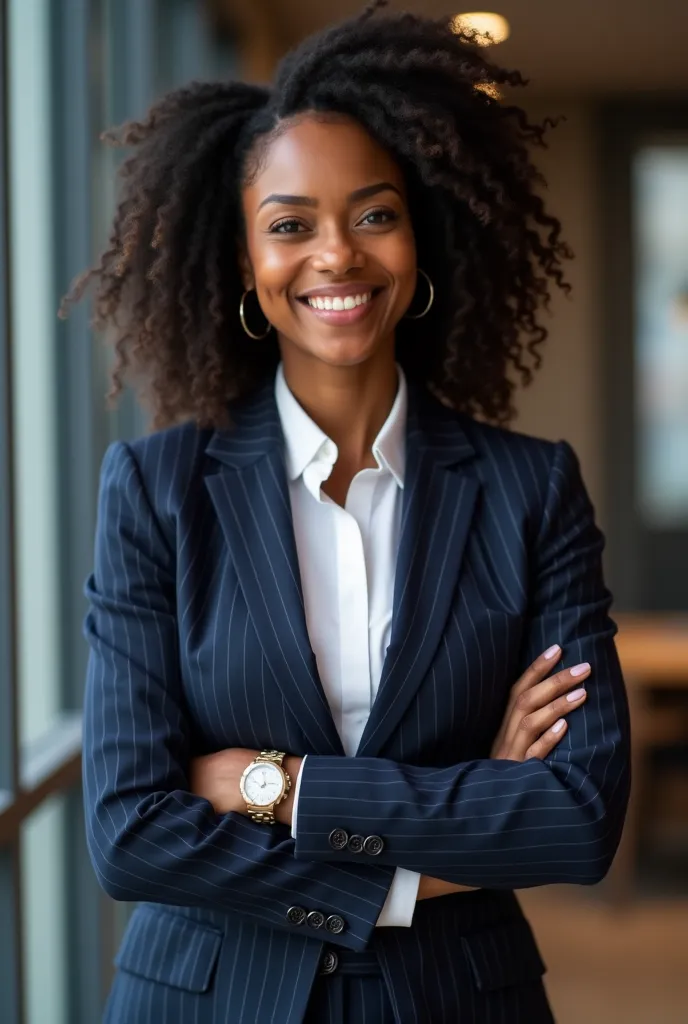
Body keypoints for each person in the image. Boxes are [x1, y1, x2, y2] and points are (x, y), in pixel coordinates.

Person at [66, 3, 631, 1021]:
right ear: (245, 262)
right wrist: (440, 841)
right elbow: (128, 833)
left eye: (374, 213)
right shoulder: (154, 489)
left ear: (421, 237)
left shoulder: (529, 488)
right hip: (206, 1000)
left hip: (458, 999)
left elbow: (576, 818)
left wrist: (270, 787)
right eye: (289, 225)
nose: (337, 255)